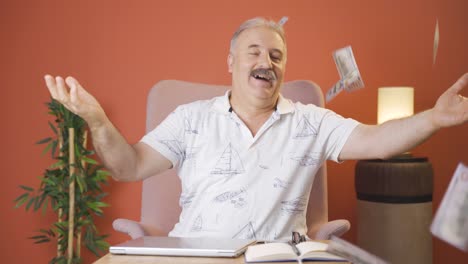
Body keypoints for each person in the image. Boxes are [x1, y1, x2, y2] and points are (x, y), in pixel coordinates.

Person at [44, 17, 468, 241]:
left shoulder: (310, 119)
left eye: (277, 55)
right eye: (254, 51)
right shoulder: (191, 118)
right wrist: (97, 120)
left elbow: (376, 140)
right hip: (197, 257)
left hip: (278, 260)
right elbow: (128, 166)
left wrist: (434, 117)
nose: (267, 61)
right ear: (231, 62)